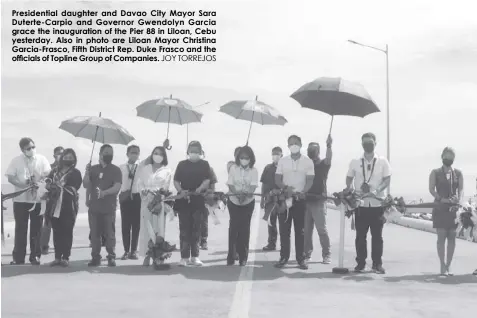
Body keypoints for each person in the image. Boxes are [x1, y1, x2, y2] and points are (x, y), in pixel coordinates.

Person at [346, 133, 391, 274]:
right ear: (362, 144)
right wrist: (351, 189)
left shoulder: (383, 161)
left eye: (370, 142)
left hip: (377, 205)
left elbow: (387, 180)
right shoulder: (355, 161)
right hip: (361, 205)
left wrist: (377, 191)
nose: (368, 145)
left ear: (375, 143)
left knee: (377, 236)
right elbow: (349, 178)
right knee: (360, 236)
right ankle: (360, 263)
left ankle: (377, 264)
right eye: (365, 142)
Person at [5, 138, 52, 265]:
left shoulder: (41, 159)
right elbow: (10, 177)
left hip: (37, 200)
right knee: (20, 228)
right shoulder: (16, 160)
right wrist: (21, 184)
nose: (31, 150)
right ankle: (18, 257)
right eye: (28, 148)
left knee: (36, 229)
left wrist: (41, 182)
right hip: (20, 200)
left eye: (33, 147)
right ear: (22, 150)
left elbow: (48, 176)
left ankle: (35, 256)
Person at [275, 135, 315, 270]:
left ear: (301, 144)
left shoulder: (308, 162)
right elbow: (277, 179)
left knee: (300, 231)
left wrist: (304, 191)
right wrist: (285, 188)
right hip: (285, 199)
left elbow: (310, 180)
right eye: (291, 143)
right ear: (288, 146)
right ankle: (283, 257)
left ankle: (301, 259)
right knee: (284, 231)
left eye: (296, 143)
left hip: (300, 200)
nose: (294, 145)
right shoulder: (283, 161)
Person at [83, 144, 122, 267]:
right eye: (106, 152)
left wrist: (105, 193)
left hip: (108, 207)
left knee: (109, 234)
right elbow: (86, 185)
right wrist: (86, 172)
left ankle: (111, 256)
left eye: (110, 153)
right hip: (94, 207)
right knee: (94, 234)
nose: (108, 155)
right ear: (100, 154)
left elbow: (117, 187)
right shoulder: (93, 169)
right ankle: (95, 257)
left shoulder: (115, 170)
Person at [174, 141, 211, 267]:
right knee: (184, 229)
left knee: (196, 229)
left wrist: (200, 189)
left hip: (198, 199)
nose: (194, 153)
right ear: (188, 151)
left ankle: (195, 256)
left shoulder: (204, 164)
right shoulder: (182, 164)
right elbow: (176, 180)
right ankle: (184, 257)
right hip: (183, 199)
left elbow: (207, 180)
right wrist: (180, 191)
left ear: (200, 152)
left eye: (196, 150)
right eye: (192, 150)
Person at [429, 147, 463, 276]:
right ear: (442, 156)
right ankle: (442, 264)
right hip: (440, 208)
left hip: (453, 209)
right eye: (447, 156)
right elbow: (431, 189)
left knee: (452, 237)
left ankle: (449, 265)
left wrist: (458, 199)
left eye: (451, 156)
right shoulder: (435, 172)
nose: (449, 158)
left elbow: (461, 189)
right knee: (441, 237)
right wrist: (440, 198)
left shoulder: (458, 173)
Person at [137, 146, 172, 268]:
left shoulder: (167, 171)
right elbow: (140, 183)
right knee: (147, 228)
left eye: (160, 154)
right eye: (155, 153)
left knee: (159, 228)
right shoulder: (145, 169)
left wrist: (159, 196)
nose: (157, 155)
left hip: (158, 202)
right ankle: (147, 254)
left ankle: (158, 256)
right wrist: (143, 191)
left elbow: (166, 187)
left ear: (164, 156)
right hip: (146, 201)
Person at [46, 149, 82, 267]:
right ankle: (57, 257)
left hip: (69, 205)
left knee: (67, 231)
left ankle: (65, 257)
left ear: (74, 159)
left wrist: (61, 187)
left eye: (71, 157)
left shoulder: (76, 172)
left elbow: (76, 187)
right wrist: (50, 186)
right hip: (54, 204)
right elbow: (48, 183)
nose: (68, 159)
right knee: (56, 231)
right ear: (62, 158)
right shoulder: (54, 171)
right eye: (66, 157)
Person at [226, 146, 258, 266]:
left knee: (245, 229)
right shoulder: (233, 168)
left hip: (248, 202)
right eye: (242, 157)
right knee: (234, 228)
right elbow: (230, 183)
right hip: (234, 200)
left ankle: (243, 257)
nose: (244, 159)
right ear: (238, 158)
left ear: (251, 159)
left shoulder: (254, 171)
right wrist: (237, 194)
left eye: (246, 158)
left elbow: (253, 185)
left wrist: (245, 195)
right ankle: (231, 256)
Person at [304, 136, 332, 264]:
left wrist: (329, 146)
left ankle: (326, 254)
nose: (311, 151)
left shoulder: (322, 164)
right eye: (310, 149)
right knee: (306, 230)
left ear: (318, 151)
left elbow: (329, 158)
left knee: (321, 229)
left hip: (319, 201)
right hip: (306, 201)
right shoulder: (304, 165)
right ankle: (306, 254)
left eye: (314, 149)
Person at [40, 146, 64, 255]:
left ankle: (60, 246)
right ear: (54, 155)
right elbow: (45, 183)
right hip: (51, 199)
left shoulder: (67, 168)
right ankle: (44, 246)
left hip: (63, 200)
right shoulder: (49, 168)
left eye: (62, 153)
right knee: (48, 223)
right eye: (58, 153)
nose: (60, 155)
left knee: (61, 224)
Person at [119, 145, 141, 260]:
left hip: (137, 197)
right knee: (125, 225)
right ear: (127, 154)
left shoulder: (141, 167)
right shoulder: (121, 167)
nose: (135, 154)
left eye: (137, 153)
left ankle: (134, 251)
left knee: (136, 225)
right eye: (132, 152)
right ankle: (126, 251)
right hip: (125, 197)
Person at [261, 146, 283, 251]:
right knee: (271, 223)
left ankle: (284, 245)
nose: (275, 156)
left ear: (281, 155)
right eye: (273, 154)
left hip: (282, 200)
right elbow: (264, 184)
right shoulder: (267, 168)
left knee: (283, 224)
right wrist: (262, 199)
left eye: (277, 154)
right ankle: (271, 244)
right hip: (269, 200)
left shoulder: (285, 168)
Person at [199, 160, 218, 251]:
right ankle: (194, 240)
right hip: (192, 197)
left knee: (203, 219)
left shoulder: (209, 170)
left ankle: (203, 240)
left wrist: (206, 192)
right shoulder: (187, 168)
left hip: (204, 198)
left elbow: (212, 188)